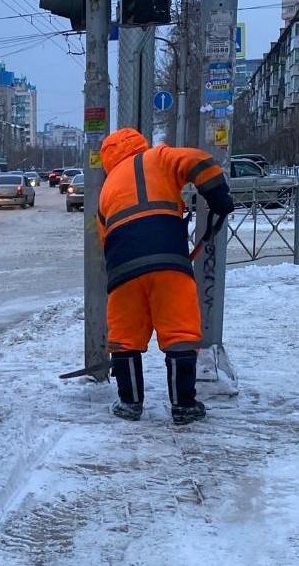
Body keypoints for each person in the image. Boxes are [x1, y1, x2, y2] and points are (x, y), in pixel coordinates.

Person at [97, 128, 235, 425]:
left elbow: (103, 236)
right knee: (180, 332)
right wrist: (217, 194)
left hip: (122, 270)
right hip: (168, 261)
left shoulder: (106, 189)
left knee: (125, 337)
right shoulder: (157, 157)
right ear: (139, 144)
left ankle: (129, 404)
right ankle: (184, 405)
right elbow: (198, 160)